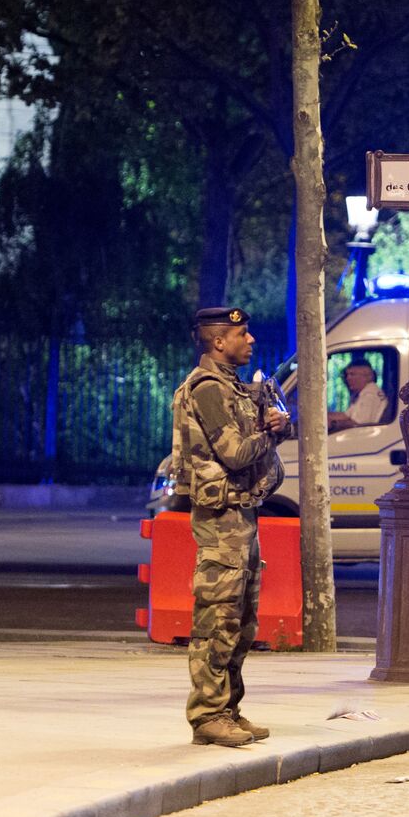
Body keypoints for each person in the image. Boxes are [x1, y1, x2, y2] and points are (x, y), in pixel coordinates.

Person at [169, 306, 292, 747]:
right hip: (220, 519)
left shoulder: (234, 388)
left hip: (242, 515)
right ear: (219, 341)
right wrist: (271, 433)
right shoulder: (206, 389)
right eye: (243, 333)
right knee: (216, 617)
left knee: (241, 622)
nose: (251, 339)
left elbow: (256, 435)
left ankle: (228, 710)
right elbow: (237, 453)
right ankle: (207, 716)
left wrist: (279, 421)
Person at [328, 358, 388, 431]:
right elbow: (345, 415)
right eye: (347, 375)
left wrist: (333, 424)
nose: (348, 378)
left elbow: (358, 425)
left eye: (352, 374)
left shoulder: (370, 395)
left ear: (368, 376)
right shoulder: (365, 393)